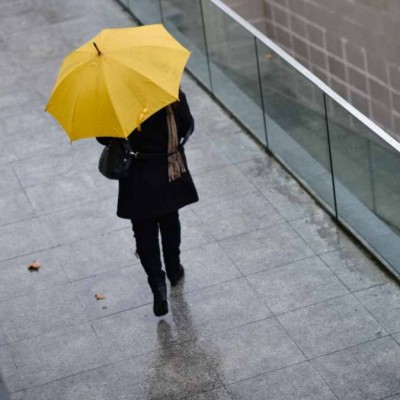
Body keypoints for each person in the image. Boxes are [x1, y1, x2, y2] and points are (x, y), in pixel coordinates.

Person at [97, 90, 199, 317]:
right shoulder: (168, 92)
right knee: (170, 221)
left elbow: (104, 138)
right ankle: (174, 269)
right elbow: (186, 125)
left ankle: (158, 287)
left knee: (143, 232)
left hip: (137, 177)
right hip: (166, 170)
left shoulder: (117, 100)